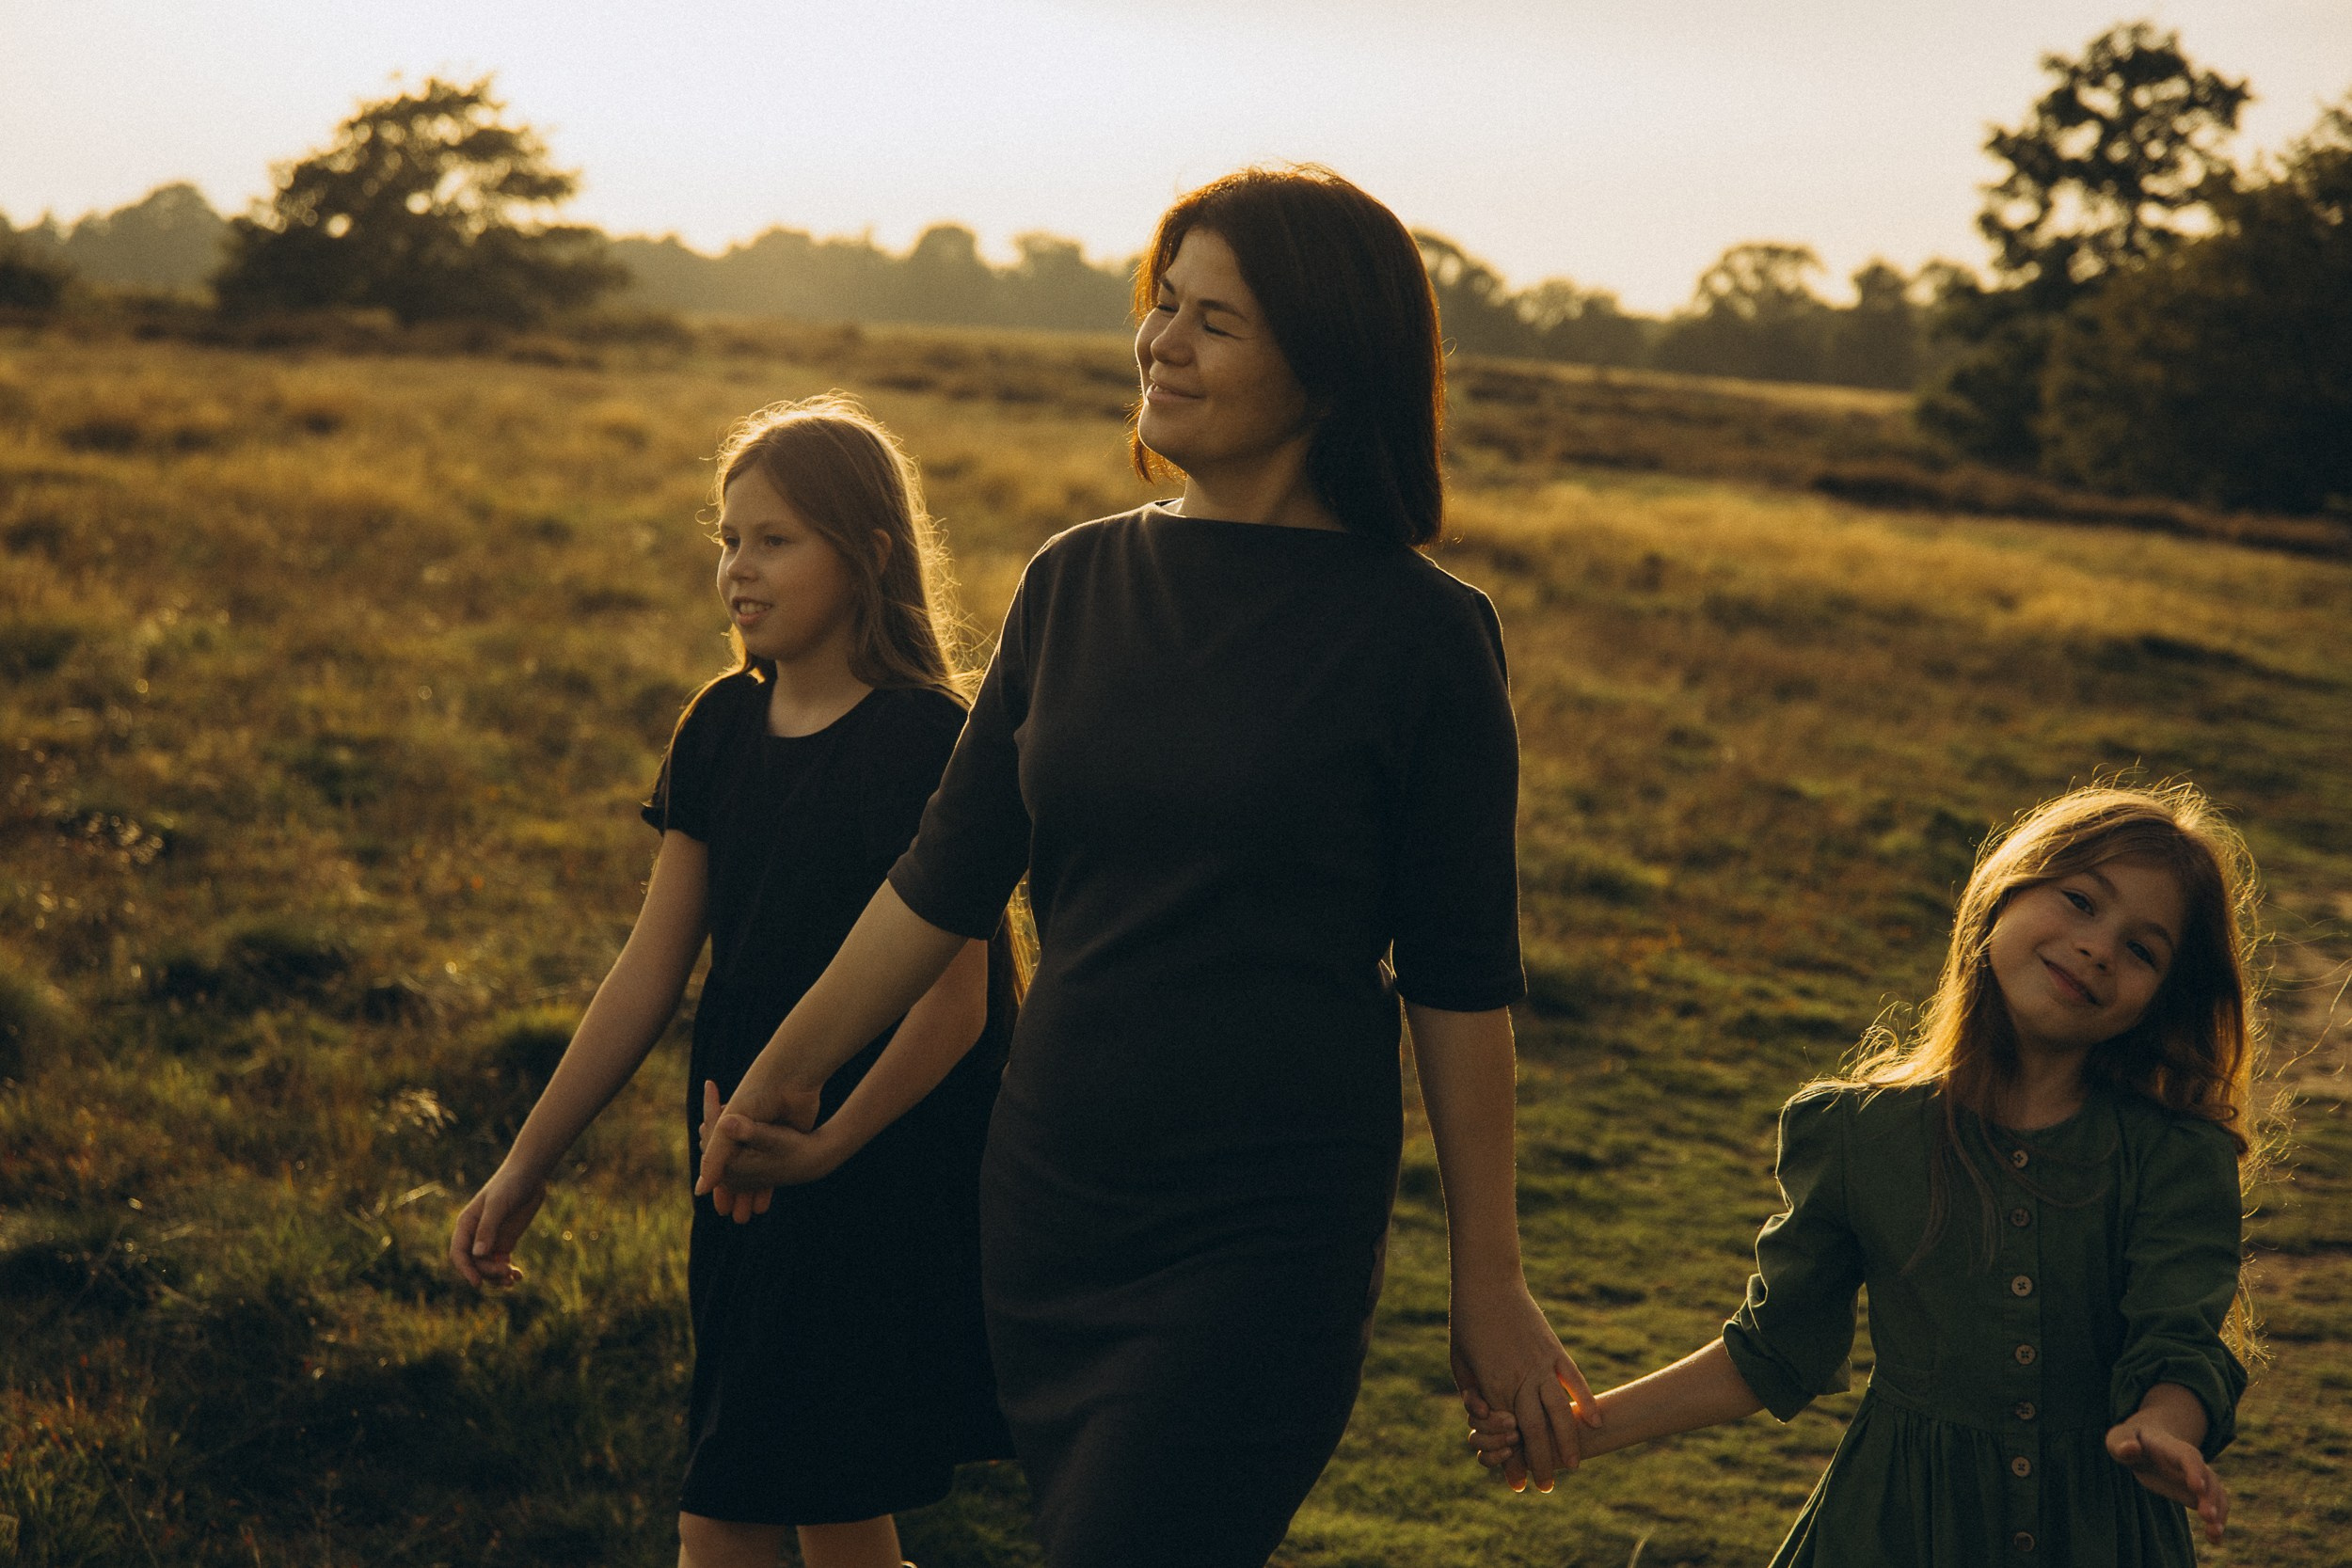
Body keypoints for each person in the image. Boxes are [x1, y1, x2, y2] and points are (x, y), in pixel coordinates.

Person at [692, 165, 1597, 1568]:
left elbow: (1462, 975)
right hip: (1052, 1193)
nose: (1159, 342)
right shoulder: (1074, 580)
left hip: (1263, 1226)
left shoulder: (1422, 636)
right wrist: (779, 1074)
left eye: (1215, 321)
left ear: (1327, 366)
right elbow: (943, 874)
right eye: (1160, 304)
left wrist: (1493, 1277)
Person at [448, 394, 1015, 1568]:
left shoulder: (927, 740)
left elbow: (959, 1002)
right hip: (735, 1156)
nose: (736, 570)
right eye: (726, 538)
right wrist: (525, 1162)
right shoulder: (717, 726)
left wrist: (830, 1145)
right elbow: (650, 968)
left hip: (876, 1170)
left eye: (772, 539)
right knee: (816, 1509)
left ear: (866, 553)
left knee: (741, 1505)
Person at [1470, 783, 2265, 1564]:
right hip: (1893, 1529)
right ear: (2004, 893)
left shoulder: (2177, 1158)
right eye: (2082, 901)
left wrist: (2165, 1427)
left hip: (2102, 1536)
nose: (2098, 948)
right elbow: (1772, 1352)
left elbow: (2179, 1344)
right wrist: (1578, 1427)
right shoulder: (1860, 1136)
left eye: (2142, 948)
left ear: (2161, 998)